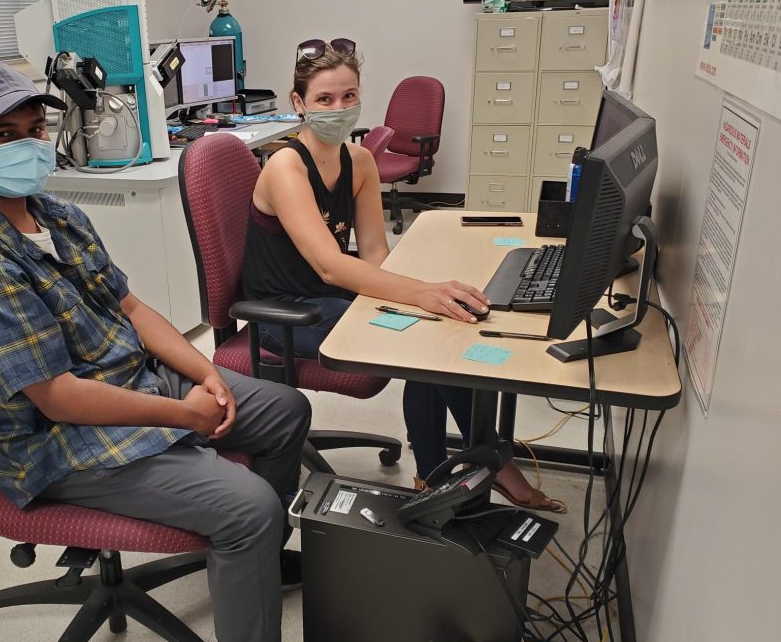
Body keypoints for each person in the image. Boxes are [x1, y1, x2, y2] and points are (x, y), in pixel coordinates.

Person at [0, 59, 350, 642]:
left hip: (127, 380)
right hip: (61, 443)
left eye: (35, 129)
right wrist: (183, 413)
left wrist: (204, 374)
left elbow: (132, 306)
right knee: (251, 507)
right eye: (3, 135)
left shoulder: (50, 213)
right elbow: (59, 399)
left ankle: (244, 565)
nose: (28, 146)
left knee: (283, 409)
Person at [242, 38, 565, 513]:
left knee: (441, 326)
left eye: (349, 96)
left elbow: (374, 251)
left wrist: (419, 297)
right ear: (299, 103)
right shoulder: (286, 166)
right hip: (287, 312)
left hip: (337, 295)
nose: (339, 108)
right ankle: (475, 465)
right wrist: (418, 295)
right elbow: (330, 264)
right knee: (421, 337)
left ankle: (439, 472)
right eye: (324, 100)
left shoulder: (360, 161)